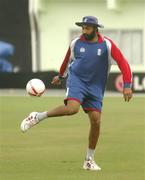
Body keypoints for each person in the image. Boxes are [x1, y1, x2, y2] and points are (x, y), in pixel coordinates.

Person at [20, 16, 133, 171]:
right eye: (83, 27)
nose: (84, 30)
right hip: (77, 80)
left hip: (95, 87)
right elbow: (68, 60)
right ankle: (37, 116)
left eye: (87, 27)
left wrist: (127, 85)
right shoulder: (76, 43)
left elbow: (123, 63)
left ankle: (89, 160)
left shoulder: (107, 44)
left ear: (95, 29)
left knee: (96, 120)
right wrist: (61, 75)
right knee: (72, 109)